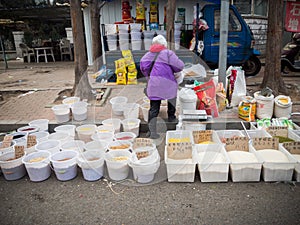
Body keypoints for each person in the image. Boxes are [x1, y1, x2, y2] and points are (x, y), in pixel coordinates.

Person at [140, 34, 184, 139]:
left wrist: (149, 77)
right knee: (172, 97)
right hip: (167, 83)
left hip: (154, 84)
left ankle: (152, 132)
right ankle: (171, 118)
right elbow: (180, 66)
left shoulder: (147, 55)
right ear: (164, 44)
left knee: (154, 108)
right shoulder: (168, 53)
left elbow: (143, 67)